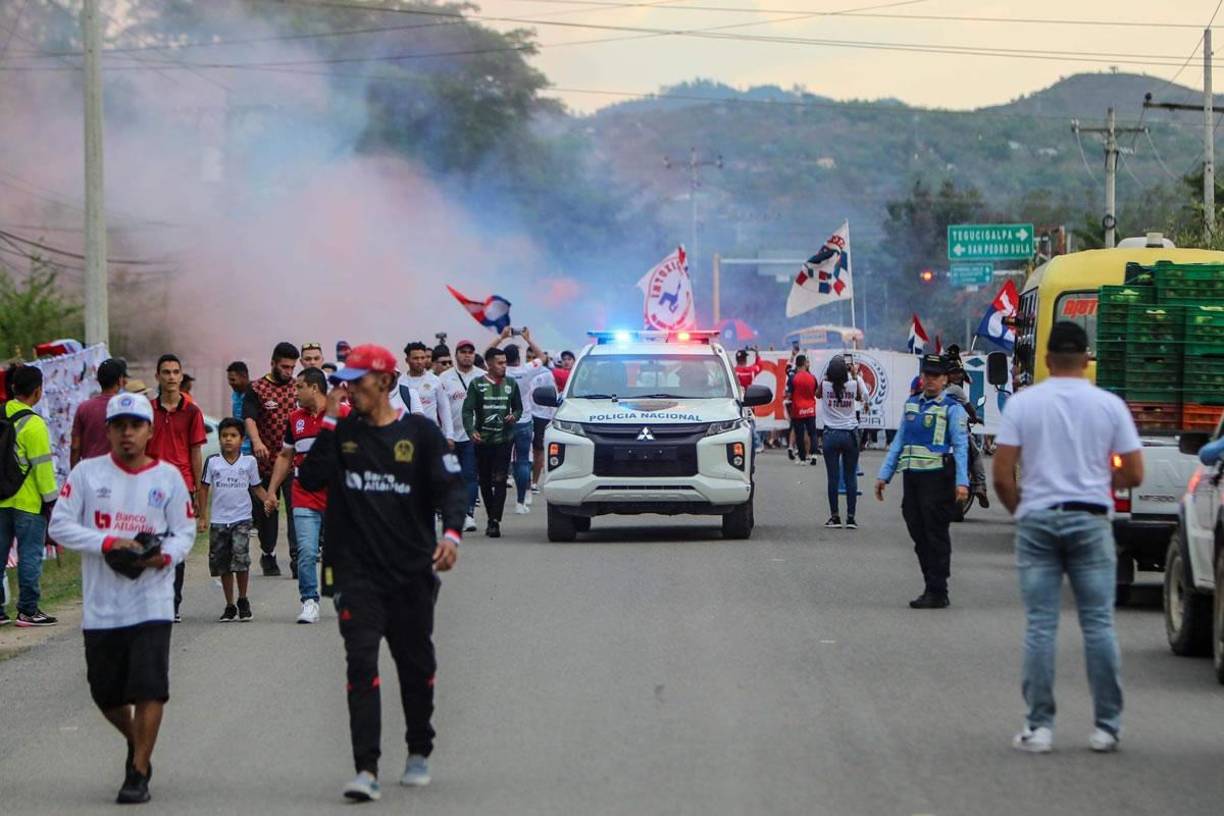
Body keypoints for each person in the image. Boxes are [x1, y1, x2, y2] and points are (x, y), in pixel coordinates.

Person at [294, 344, 464, 802]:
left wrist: (450, 536)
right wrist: (329, 418)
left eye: (358, 380)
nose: (348, 387)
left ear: (386, 381)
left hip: (411, 574)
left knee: (415, 665)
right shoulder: (343, 432)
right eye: (345, 380)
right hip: (357, 577)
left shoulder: (421, 433)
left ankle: (418, 750)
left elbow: (452, 488)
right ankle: (365, 769)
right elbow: (309, 479)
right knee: (361, 665)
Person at [992, 322, 1143, 754]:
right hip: (1092, 520)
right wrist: (1100, 477)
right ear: (1087, 359)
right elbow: (1134, 473)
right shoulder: (1109, 406)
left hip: (1039, 519)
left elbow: (1003, 474)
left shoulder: (1024, 404)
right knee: (1098, 625)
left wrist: (1022, 509)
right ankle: (1106, 727)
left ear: (1046, 359)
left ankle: (1039, 728)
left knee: (1041, 625)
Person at [48, 392, 197, 804]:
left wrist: (161, 555)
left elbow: (185, 531)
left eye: (135, 425)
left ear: (149, 430)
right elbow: (60, 526)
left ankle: (139, 771)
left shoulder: (167, 478)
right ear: (108, 431)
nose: (127, 433)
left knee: (150, 687)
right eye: (119, 426)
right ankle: (138, 742)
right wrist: (109, 542)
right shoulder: (85, 475)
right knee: (106, 694)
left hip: (151, 599)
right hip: (103, 605)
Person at [874, 354, 969, 609]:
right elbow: (899, 442)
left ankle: (938, 589)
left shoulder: (952, 409)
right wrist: (884, 475)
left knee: (935, 533)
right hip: (912, 479)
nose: (929, 380)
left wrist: (963, 482)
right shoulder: (912, 404)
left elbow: (960, 447)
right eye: (926, 375)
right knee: (917, 531)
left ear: (945, 379)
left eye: (935, 376)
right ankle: (931, 583)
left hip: (938, 479)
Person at [266, 367, 349, 624]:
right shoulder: (294, 419)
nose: (295, 392)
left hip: (337, 494)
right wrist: (271, 491)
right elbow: (285, 456)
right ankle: (309, 601)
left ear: (314, 387)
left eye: (299, 387)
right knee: (306, 550)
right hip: (303, 492)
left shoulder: (343, 414)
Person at [146, 354, 206, 623]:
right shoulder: (146, 410)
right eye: (166, 372)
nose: (171, 377)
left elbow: (196, 454)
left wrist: (199, 496)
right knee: (149, 543)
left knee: (176, 546)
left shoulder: (192, 412)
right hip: (149, 487)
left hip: (181, 486)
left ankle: (173, 603)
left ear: (181, 376)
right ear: (157, 376)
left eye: (175, 372)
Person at [0, 365, 60, 627]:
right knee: (30, 555)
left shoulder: (1, 413)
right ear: (38, 391)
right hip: (28, 503)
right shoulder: (34, 424)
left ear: (13, 388)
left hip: (0, 500)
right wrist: (51, 502)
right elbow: (43, 469)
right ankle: (27, 610)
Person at [197, 418, 268, 623]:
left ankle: (243, 599)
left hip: (242, 519)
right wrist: (203, 516)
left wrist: (268, 500)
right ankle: (229, 604)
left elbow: (256, 487)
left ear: (241, 439)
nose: (228, 440)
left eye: (233, 436)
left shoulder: (249, 462)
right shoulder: (212, 462)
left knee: (241, 560)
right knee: (223, 564)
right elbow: (204, 488)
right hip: (219, 521)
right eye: (224, 436)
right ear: (219, 439)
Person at [244, 342, 300, 577]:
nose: (288, 371)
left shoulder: (299, 388)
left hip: (293, 462)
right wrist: (256, 442)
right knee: (268, 511)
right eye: (284, 366)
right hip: (265, 462)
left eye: (292, 367)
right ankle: (268, 553)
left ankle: (298, 558)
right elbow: (249, 418)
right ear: (273, 363)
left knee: (297, 511)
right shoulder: (257, 388)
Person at [463, 347, 522, 538]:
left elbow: (519, 408)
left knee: (500, 479)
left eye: (505, 362)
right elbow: (467, 410)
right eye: (500, 363)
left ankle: (495, 521)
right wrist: (471, 431)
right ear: (489, 364)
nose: (504, 366)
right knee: (485, 481)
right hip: (483, 441)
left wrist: (514, 416)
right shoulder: (476, 384)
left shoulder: (511, 384)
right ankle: (490, 517)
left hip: (504, 440)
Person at [439, 339, 484, 532]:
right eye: (463, 351)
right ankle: (450, 512)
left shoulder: (483, 376)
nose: (467, 355)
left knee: (470, 476)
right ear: (456, 355)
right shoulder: (443, 378)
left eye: (470, 352)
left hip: (473, 435)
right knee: (449, 477)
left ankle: (468, 514)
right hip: (449, 435)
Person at [502, 329, 544, 515]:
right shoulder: (526, 370)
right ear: (519, 356)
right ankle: (521, 501)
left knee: (501, 461)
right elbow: (542, 357)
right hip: (524, 420)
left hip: (504, 421)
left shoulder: (500, 371)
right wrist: (529, 339)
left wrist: (501, 337)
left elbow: (486, 354)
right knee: (523, 461)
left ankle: (496, 501)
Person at [821, 355, 865, 529]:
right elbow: (860, 398)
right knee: (850, 476)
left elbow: (817, 395)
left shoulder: (824, 386)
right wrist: (854, 375)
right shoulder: (853, 385)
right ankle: (851, 517)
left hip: (831, 435)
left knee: (833, 478)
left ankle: (835, 516)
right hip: (850, 434)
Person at [946, 360, 989, 508]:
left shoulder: (932, 390)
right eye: (954, 372)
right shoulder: (955, 390)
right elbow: (969, 408)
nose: (957, 375)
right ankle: (980, 487)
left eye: (958, 372)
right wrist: (976, 418)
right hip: (955, 432)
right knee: (976, 453)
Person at [72, 358, 129, 467]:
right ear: (120, 381)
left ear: (98, 380)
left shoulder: (83, 408)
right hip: (119, 472)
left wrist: (74, 476)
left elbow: (75, 446)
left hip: (90, 473)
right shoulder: (125, 408)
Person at [396, 342, 453, 443]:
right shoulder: (400, 381)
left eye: (423, 358)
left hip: (431, 434)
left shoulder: (435, 380)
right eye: (416, 358)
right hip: (407, 436)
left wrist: (449, 435)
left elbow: (444, 408)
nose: (420, 361)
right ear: (407, 360)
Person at [788, 355, 818, 466]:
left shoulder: (793, 378)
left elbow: (789, 394)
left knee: (799, 434)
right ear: (805, 363)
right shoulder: (812, 377)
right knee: (812, 433)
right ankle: (814, 455)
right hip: (810, 409)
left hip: (798, 409)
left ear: (796, 364)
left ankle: (802, 458)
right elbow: (815, 391)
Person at [226, 362, 253, 455]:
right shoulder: (235, 394)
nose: (230, 383)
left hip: (254, 451)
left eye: (233, 380)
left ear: (244, 376)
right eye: (229, 380)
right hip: (239, 450)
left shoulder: (256, 393)